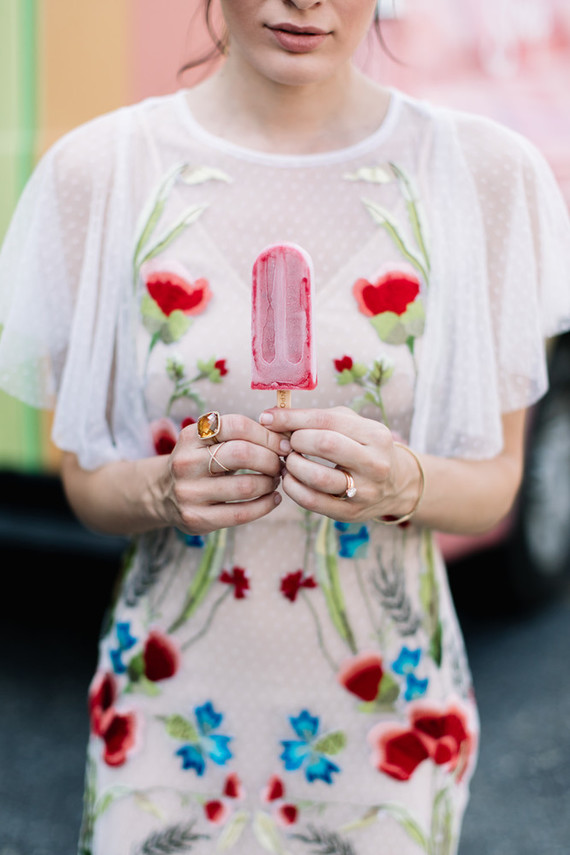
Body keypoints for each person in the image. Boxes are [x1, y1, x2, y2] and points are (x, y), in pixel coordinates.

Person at [1, 1, 569, 853]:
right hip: (166, 716)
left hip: (386, 727)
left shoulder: (484, 178)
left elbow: (493, 485)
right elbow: (88, 487)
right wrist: (162, 487)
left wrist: (400, 481)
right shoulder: (101, 174)